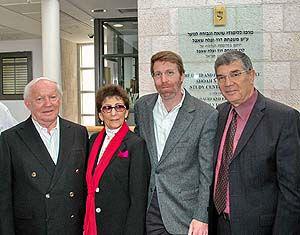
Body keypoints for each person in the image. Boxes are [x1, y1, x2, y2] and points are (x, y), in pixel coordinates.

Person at [209, 50, 300, 234]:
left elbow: (292, 192)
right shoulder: (219, 114)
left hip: (260, 228)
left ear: (251, 75)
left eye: (235, 74)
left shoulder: (283, 118)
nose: (228, 83)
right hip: (219, 225)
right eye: (221, 77)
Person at [134, 51, 218, 235]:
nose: (164, 79)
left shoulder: (205, 114)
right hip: (148, 208)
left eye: (170, 73)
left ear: (182, 76)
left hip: (184, 214)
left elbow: (207, 173)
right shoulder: (143, 107)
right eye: (158, 74)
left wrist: (202, 216)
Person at [0, 77, 89, 234]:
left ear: (60, 100)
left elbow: (85, 185)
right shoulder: (10, 139)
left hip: (72, 227)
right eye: (39, 99)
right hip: (32, 228)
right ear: (28, 104)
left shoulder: (79, 133)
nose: (48, 104)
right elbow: (4, 196)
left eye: (53, 97)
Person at [84, 84, 150, 235]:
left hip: (120, 226)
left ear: (126, 112)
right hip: (93, 222)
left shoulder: (136, 144)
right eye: (107, 108)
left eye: (119, 107)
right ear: (100, 115)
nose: (113, 113)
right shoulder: (93, 140)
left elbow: (138, 198)